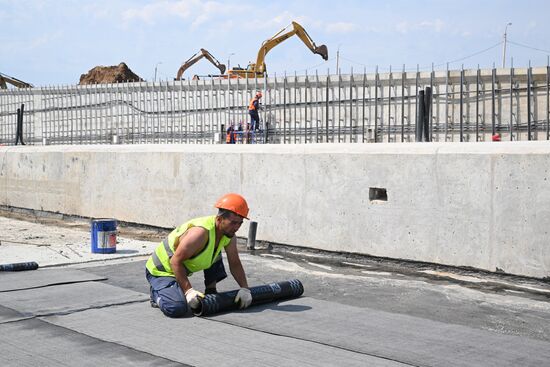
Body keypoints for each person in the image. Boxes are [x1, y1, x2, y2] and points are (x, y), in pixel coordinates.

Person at [145, 193, 252, 317]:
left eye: (240, 223)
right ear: (219, 219)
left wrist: (245, 288)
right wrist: (188, 291)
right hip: (161, 271)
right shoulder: (200, 233)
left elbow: (235, 263)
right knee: (176, 308)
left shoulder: (228, 234)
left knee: (213, 251)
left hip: (179, 267)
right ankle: (156, 294)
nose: (237, 227)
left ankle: (211, 290)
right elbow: (175, 261)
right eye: (233, 222)